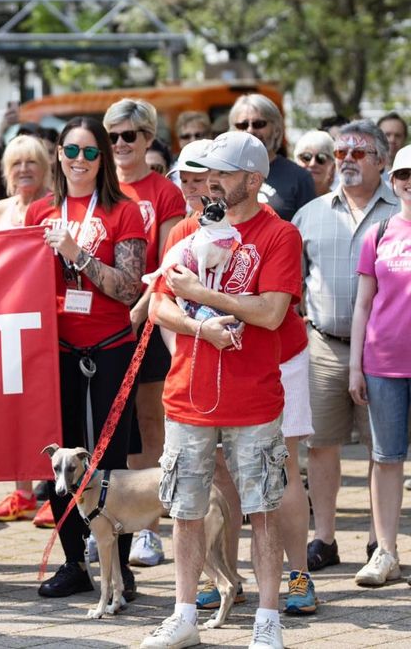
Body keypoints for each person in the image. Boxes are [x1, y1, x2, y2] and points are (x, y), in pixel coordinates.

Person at [142, 131, 301, 649]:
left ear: (254, 180)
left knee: (262, 510)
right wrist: (200, 327)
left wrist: (204, 297)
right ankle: (184, 614)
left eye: (224, 174)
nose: (210, 181)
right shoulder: (186, 228)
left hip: (253, 397)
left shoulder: (279, 235)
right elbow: (161, 305)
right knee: (185, 511)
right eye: (207, 172)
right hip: (188, 393)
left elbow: (273, 312)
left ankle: (267, 622)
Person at [25, 116, 146, 600]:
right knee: (61, 460)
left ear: (104, 160)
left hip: (111, 346)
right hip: (55, 349)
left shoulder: (126, 212)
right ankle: (75, 562)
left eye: (91, 152)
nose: (79, 160)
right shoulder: (39, 212)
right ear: (57, 154)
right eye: (71, 151)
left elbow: (130, 285)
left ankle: (120, 567)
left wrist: (78, 255)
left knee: (111, 461)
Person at [292, 120, 397, 576]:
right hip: (324, 345)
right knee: (320, 446)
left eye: (358, 153)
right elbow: (293, 285)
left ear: (381, 160)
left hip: (385, 351)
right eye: (341, 154)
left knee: (382, 449)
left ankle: (380, 541)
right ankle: (325, 538)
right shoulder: (310, 214)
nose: (347, 161)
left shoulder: (401, 210)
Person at [103, 99, 187, 570]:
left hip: (148, 322)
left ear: (148, 138)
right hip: (96, 325)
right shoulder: (96, 188)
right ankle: (106, 520)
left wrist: (141, 306)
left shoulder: (163, 192)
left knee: (150, 422)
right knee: (108, 427)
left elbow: (168, 260)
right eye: (111, 135)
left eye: (128, 135)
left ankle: (147, 528)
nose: (119, 144)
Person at [348, 144, 411, 587]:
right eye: (404, 174)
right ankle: (385, 552)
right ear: (394, 182)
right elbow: (363, 305)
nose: (410, 182)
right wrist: (355, 367)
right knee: (386, 459)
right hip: (383, 362)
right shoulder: (380, 231)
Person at [0, 134, 52, 522]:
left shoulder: (55, 207)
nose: (24, 169)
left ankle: (53, 493)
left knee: (47, 405)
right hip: (7, 319)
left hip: (46, 318)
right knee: (14, 405)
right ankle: (22, 491)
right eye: (17, 163)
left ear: (45, 168)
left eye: (32, 162)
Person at [229, 93, 316, 221]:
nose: (250, 130)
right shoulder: (222, 174)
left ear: (276, 129)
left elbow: (310, 230)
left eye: (259, 124)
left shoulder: (299, 178)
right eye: (242, 125)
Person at [293, 131, 336, 197]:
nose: (312, 164)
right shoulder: (286, 202)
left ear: (333, 167)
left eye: (321, 158)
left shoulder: (340, 204)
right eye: (306, 157)